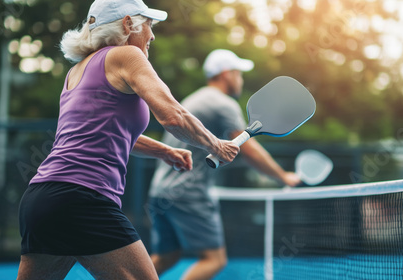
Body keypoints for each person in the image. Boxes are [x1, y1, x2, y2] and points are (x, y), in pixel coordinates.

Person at [16, 1, 240, 279]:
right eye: (148, 24)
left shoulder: (75, 72)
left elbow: (111, 133)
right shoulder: (128, 56)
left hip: (41, 200)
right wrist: (216, 144)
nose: (152, 34)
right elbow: (174, 116)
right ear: (127, 24)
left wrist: (164, 151)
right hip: (83, 198)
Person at [147, 49, 302, 280]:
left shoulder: (194, 99)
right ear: (226, 74)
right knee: (214, 260)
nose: (241, 79)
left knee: (166, 257)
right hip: (189, 191)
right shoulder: (223, 104)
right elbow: (250, 151)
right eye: (238, 73)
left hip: (160, 191)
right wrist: (284, 177)